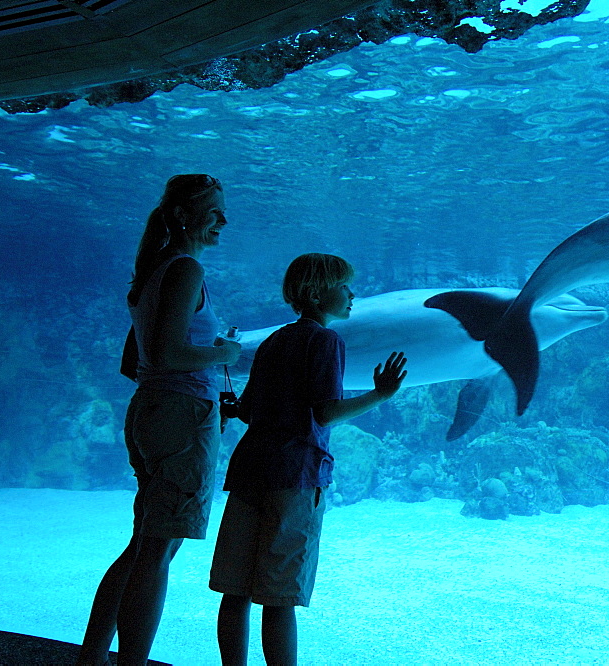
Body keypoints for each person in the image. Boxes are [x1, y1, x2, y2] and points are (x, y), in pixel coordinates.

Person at [209, 253, 407, 666]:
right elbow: (325, 412)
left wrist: (231, 405)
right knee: (279, 593)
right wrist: (380, 394)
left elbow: (247, 410)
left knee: (237, 589)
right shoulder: (326, 340)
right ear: (317, 293)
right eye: (345, 286)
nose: (353, 294)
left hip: (249, 471)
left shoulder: (273, 342)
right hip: (296, 475)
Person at [77, 174, 242, 666]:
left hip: (152, 409)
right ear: (184, 216)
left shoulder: (151, 270)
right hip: (182, 415)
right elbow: (169, 352)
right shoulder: (185, 267)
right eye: (214, 212)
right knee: (157, 551)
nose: (224, 221)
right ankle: (130, 663)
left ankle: (92, 656)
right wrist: (222, 353)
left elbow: (136, 361)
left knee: (145, 544)